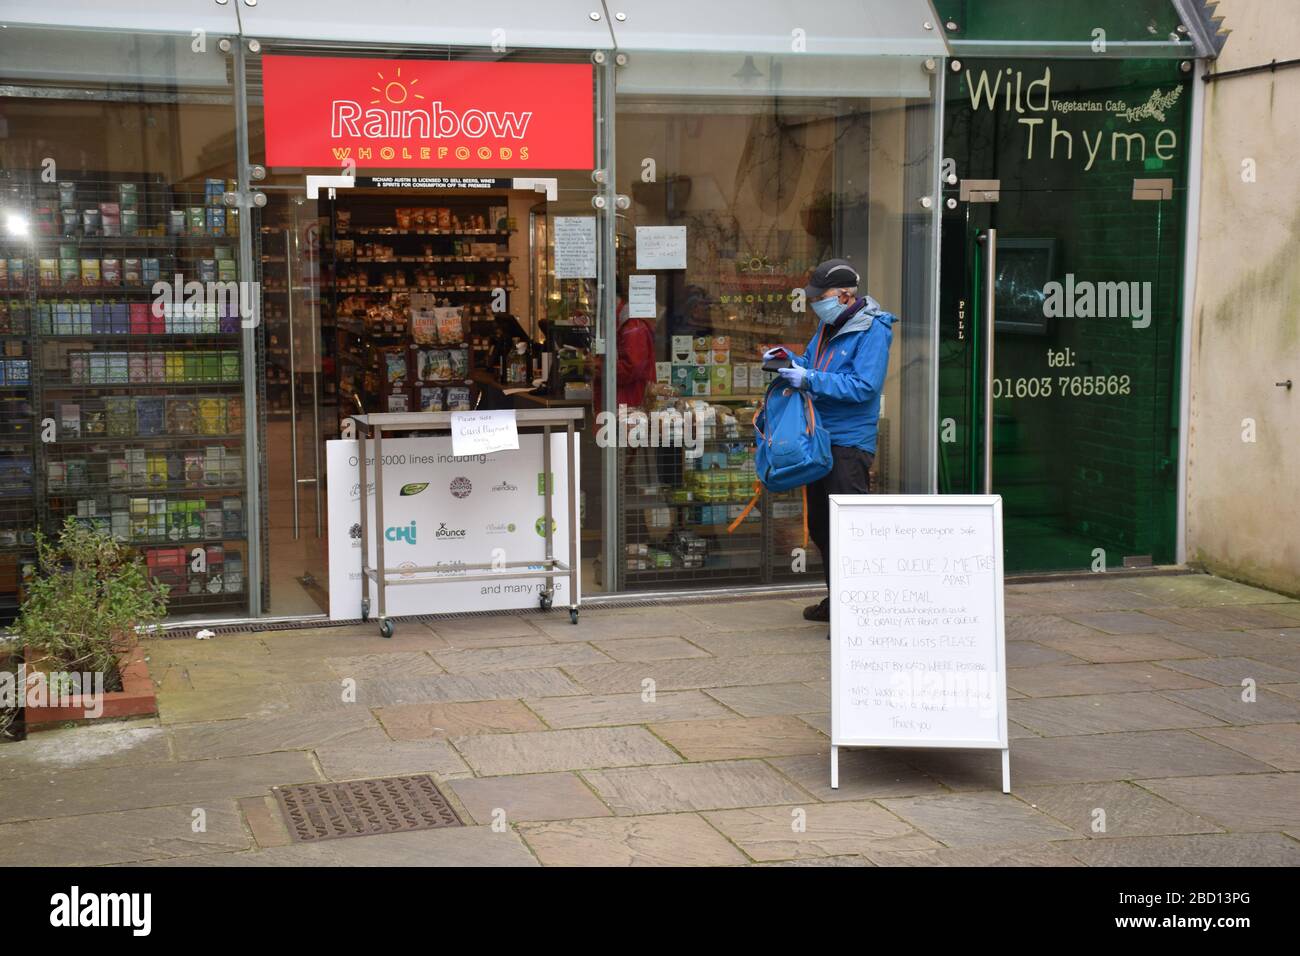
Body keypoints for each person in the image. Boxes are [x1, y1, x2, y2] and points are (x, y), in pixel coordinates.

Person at [764, 258, 896, 628]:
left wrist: (809, 380)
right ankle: (838, 600)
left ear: (842, 295)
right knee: (822, 527)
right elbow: (810, 362)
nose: (814, 304)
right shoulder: (827, 325)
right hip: (819, 440)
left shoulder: (872, 330)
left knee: (849, 531)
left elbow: (864, 387)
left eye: (819, 297)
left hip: (849, 445)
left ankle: (857, 614)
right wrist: (786, 361)